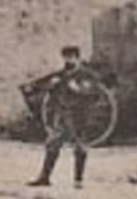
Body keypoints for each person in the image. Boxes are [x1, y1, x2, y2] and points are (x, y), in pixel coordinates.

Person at [24, 46, 98, 188]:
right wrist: (36, 87)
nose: (68, 60)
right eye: (66, 57)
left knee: (80, 147)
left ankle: (78, 180)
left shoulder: (86, 75)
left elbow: (94, 94)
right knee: (52, 145)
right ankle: (44, 177)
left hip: (79, 116)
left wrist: (78, 89)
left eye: (71, 57)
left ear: (77, 57)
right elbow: (43, 84)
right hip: (62, 116)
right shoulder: (61, 75)